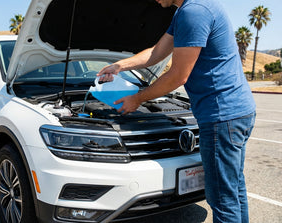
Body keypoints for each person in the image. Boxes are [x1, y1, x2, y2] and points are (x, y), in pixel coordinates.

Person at [97, 0, 256, 222]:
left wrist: (137, 99)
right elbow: (155, 53)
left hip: (222, 115)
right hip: (238, 111)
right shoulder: (188, 11)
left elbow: (178, 76)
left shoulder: (194, 12)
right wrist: (119, 66)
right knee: (233, 188)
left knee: (222, 198)